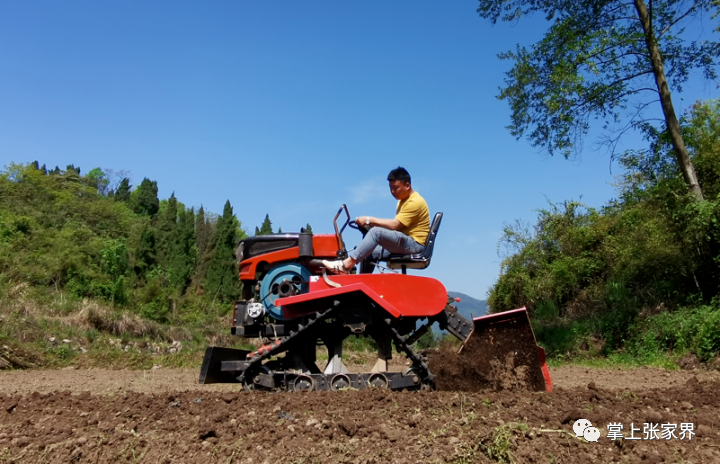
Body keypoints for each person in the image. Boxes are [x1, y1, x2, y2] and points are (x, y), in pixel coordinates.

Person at [322, 166, 430, 274]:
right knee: (367, 251)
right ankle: (361, 284)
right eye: (390, 187)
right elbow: (397, 228)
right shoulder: (403, 201)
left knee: (375, 233)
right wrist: (370, 226)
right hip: (406, 242)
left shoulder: (414, 202)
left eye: (395, 187)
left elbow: (395, 225)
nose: (392, 191)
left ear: (407, 185)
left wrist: (369, 220)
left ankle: (344, 266)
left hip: (415, 245)